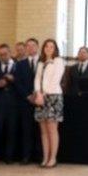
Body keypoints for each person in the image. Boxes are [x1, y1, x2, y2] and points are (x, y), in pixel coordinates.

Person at [33, 39, 65, 168]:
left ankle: (53, 158)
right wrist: (38, 93)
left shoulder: (58, 61)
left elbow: (56, 79)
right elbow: (37, 79)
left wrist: (44, 93)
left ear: (55, 49)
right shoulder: (40, 62)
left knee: (52, 130)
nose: (49, 48)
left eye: (52, 46)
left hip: (53, 96)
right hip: (41, 97)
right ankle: (45, 158)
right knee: (44, 131)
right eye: (46, 46)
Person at [13, 38, 40, 164]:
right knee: (26, 130)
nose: (30, 48)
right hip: (25, 101)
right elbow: (17, 83)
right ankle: (26, 156)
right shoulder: (20, 64)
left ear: (37, 47)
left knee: (40, 130)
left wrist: (38, 95)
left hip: (41, 100)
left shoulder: (43, 62)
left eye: (33, 45)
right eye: (28, 46)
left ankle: (39, 156)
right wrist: (28, 96)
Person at [0, 43, 17, 163]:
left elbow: (23, 84)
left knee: (11, 130)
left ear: (10, 52)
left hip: (13, 104)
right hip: (0, 103)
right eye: (1, 55)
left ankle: (9, 156)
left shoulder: (17, 66)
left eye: (5, 54)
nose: (3, 56)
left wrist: (14, 80)